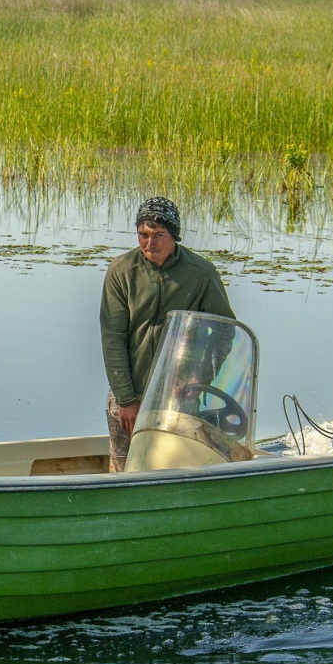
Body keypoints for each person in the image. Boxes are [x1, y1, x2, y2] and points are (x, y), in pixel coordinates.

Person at [99, 197, 236, 471]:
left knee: (173, 468)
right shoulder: (121, 271)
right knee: (125, 471)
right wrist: (126, 399)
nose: (150, 243)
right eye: (143, 234)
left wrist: (199, 377)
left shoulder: (201, 274)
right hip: (129, 392)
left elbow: (224, 330)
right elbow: (112, 336)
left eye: (159, 235)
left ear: (175, 236)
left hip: (179, 395)